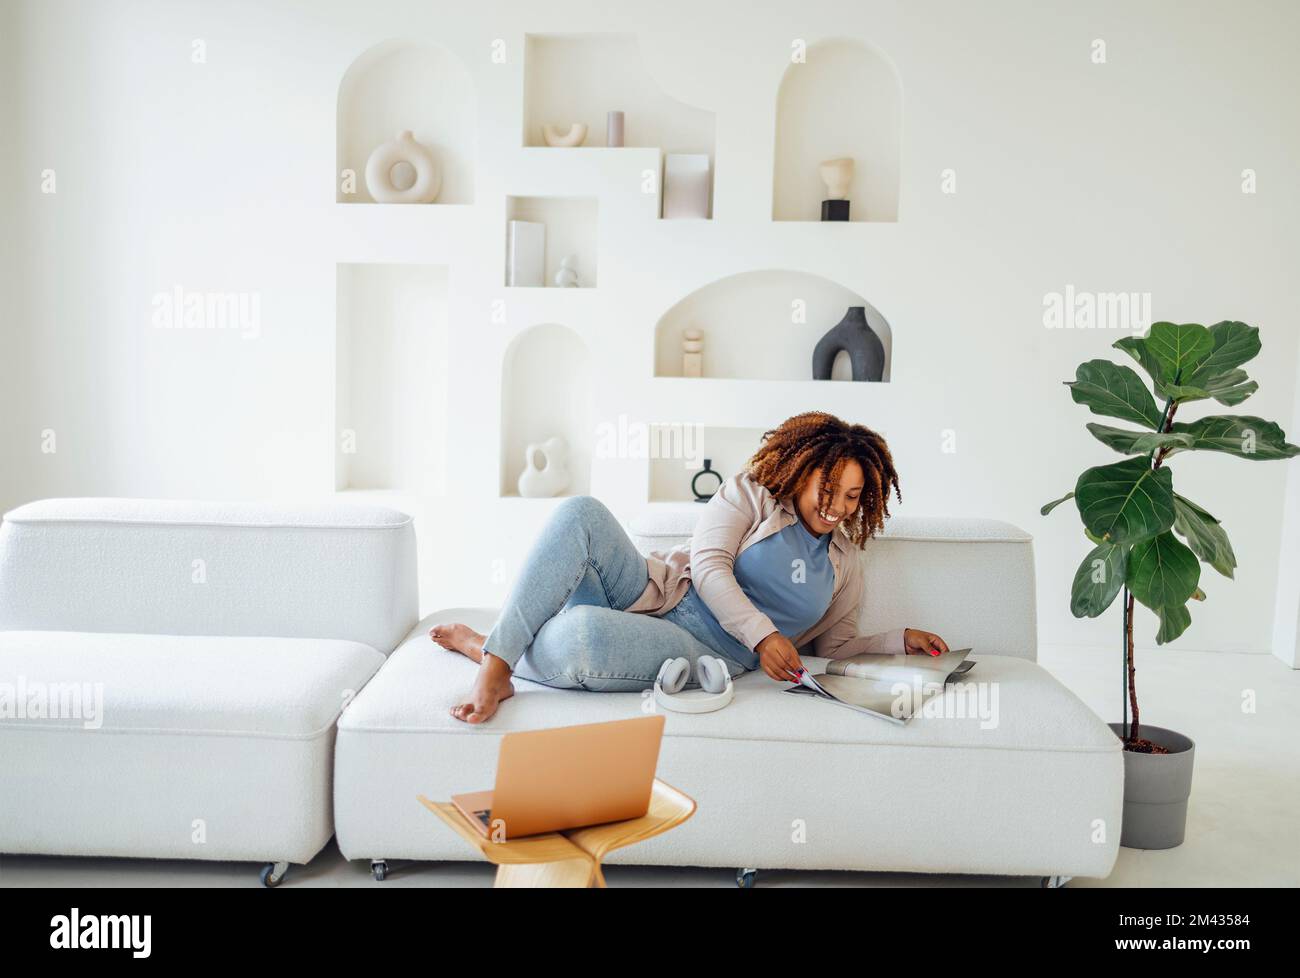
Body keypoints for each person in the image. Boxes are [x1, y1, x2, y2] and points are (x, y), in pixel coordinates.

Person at [432, 410, 949, 723]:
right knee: (580, 512)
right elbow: (707, 566)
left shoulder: (845, 564)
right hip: (662, 591)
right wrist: (765, 636)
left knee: (579, 638)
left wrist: (896, 640)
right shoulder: (751, 494)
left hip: (700, 649)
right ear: (803, 470)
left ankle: (489, 644)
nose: (837, 506)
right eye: (828, 489)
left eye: (852, 497)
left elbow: (833, 648)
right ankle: (497, 667)